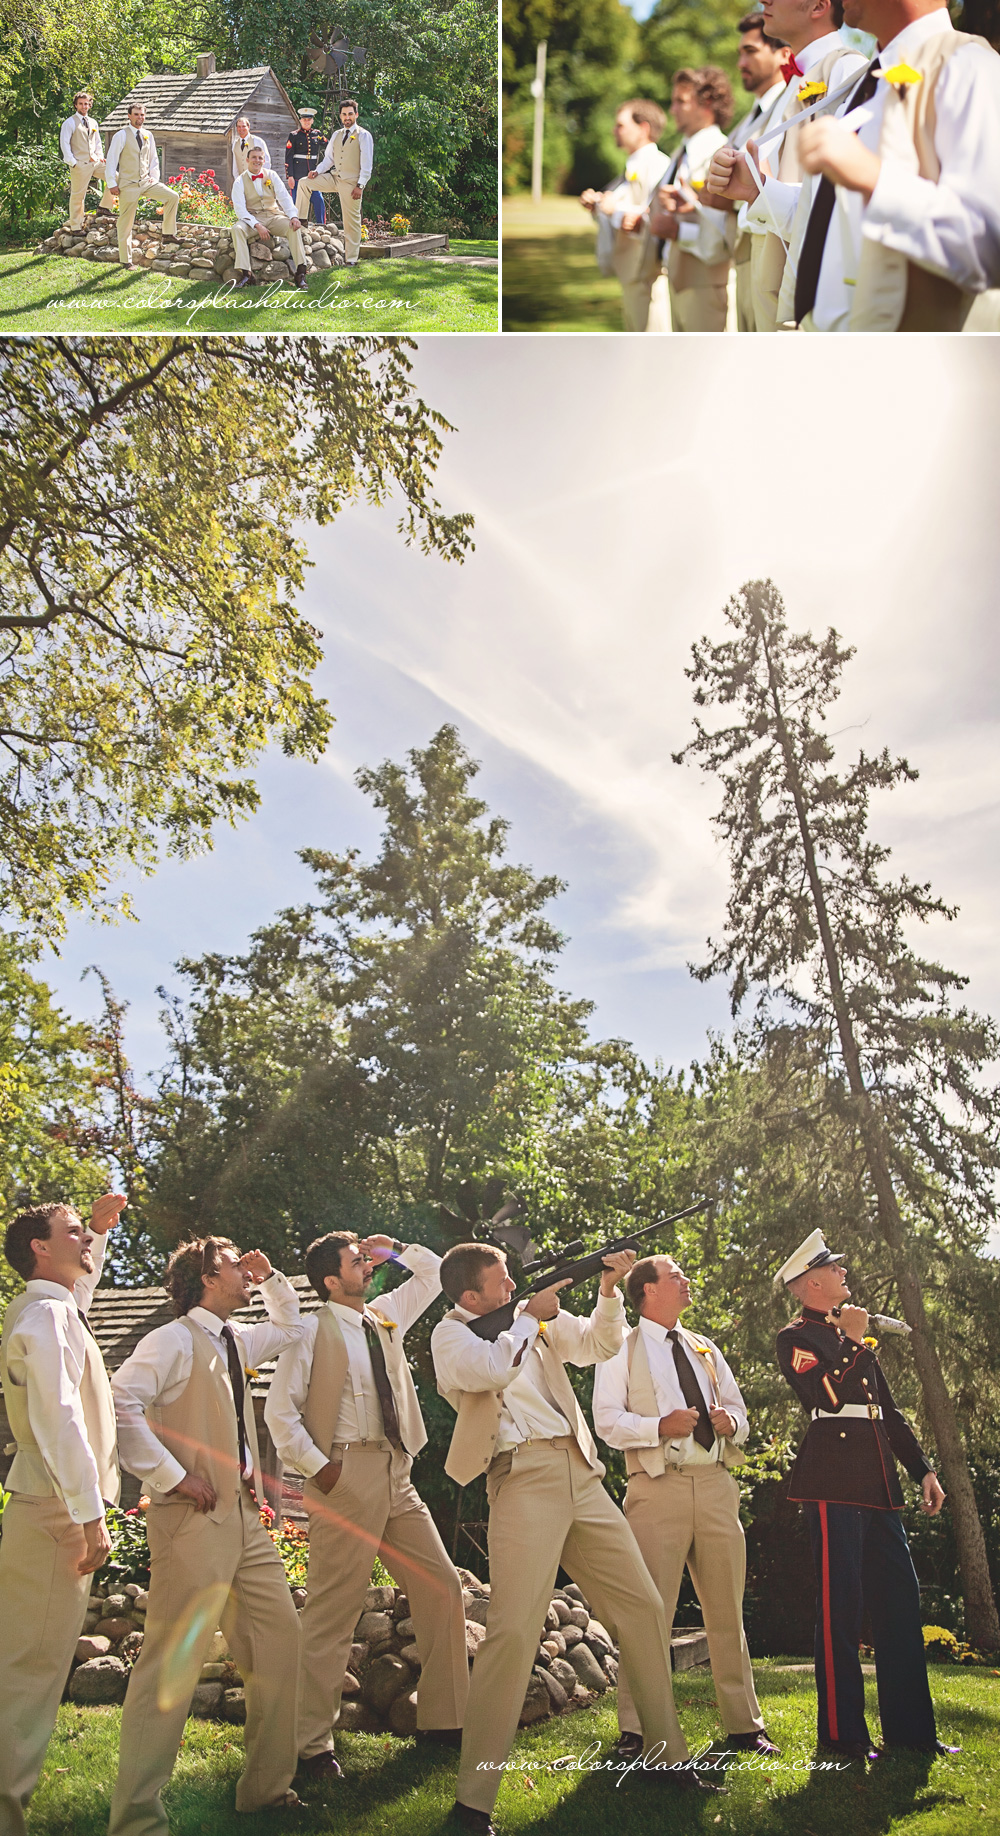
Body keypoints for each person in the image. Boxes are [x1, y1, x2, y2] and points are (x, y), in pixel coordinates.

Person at [431, 1243, 720, 1834]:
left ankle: (665, 1756)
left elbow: (598, 1344)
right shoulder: (452, 1338)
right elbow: (492, 1370)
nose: (514, 1283)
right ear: (469, 1297)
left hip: (581, 1474)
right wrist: (528, 1317)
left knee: (642, 1605)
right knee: (512, 1630)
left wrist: (609, 1290)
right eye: (502, 1280)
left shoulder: (528, 1317)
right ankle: (473, 1802)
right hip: (523, 1478)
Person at [108, 1236, 306, 1834]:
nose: (245, 1269)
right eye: (234, 1262)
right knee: (171, 1665)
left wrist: (271, 1280)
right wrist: (173, 1477)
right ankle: (138, 1819)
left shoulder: (234, 1340)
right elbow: (121, 1403)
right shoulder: (169, 1339)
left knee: (281, 1642)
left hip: (246, 1522)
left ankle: (266, 1793)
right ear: (205, 1274)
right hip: (191, 1521)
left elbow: (292, 1327)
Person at [265, 1230, 469, 1782]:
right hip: (344, 1473)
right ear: (331, 1281)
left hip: (396, 1472)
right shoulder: (308, 1331)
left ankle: (444, 1721)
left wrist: (395, 1250)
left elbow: (433, 1278)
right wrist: (323, 1471)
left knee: (442, 1586)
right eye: (354, 1259)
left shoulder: (384, 1315)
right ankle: (311, 1746)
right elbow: (280, 1415)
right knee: (334, 1612)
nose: (364, 1261)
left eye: (364, 1255)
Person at [774, 1229, 952, 1761]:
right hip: (832, 1484)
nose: (845, 1273)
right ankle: (842, 1735)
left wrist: (922, 1470)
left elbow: (887, 1412)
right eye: (834, 1268)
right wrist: (854, 1340)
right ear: (812, 1283)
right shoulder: (796, 1337)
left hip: (879, 1486)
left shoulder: (850, 1333)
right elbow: (827, 1398)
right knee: (841, 1609)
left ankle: (912, 1733)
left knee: (900, 1604)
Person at [593, 1254, 776, 1760]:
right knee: (649, 1613)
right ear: (648, 1290)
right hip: (657, 1488)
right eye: (676, 1275)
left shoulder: (704, 1346)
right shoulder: (618, 1350)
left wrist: (730, 1424)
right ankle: (637, 1729)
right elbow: (605, 1420)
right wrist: (658, 1427)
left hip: (717, 1487)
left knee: (726, 1611)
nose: (686, 1280)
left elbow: (741, 1410)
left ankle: (745, 1725)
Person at [0, 1193, 126, 1836]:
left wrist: (97, 1234)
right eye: (71, 1233)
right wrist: (88, 1513)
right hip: (55, 1510)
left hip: (48, 1505)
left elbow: (78, 1300)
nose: (85, 1240)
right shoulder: (45, 1316)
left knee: (27, 1667)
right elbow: (57, 1415)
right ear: (38, 1249)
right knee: (29, 1677)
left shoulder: (51, 1310)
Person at [784, 0, 1000, 330]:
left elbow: (989, 246)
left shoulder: (972, 67)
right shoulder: (863, 83)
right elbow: (833, 219)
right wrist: (758, 191)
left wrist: (876, 179)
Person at [706, 0, 867, 329]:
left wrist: (764, 191)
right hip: (763, 252)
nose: (765, 0)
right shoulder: (795, 80)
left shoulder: (846, 69)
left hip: (797, 263)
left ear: (818, 6)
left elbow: (838, 197)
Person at [647, 67, 734, 332]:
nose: (672, 109)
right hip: (678, 279)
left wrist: (678, 230)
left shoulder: (722, 153)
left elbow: (727, 231)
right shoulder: (680, 152)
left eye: (680, 101)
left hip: (707, 285)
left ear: (706, 102)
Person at [579, 100, 671, 332]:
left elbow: (659, 216)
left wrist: (614, 210)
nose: (614, 130)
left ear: (643, 129)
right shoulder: (632, 164)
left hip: (650, 276)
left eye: (621, 125)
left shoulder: (659, 164)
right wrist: (598, 205)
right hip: (632, 274)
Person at [725, 17, 790, 329]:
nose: (741, 62)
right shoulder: (749, 116)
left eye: (750, 51)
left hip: (775, 254)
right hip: (744, 254)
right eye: (740, 53)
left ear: (783, 54)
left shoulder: (793, 103)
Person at [295, 98, 373, 266]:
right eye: (344, 114)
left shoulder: (364, 135)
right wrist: (317, 171)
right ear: (340, 116)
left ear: (356, 115)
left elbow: (367, 164)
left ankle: (351, 259)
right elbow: (328, 159)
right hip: (334, 177)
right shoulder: (337, 135)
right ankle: (301, 220)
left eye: (350, 114)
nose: (347, 117)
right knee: (304, 182)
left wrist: (361, 185)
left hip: (352, 183)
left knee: (351, 221)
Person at [104, 103, 179, 269]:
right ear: (129, 116)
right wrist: (111, 183)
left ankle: (167, 233)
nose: (140, 118)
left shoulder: (148, 135)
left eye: (142, 115)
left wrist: (155, 178)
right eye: (136, 114)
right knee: (125, 223)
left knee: (172, 197)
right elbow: (111, 160)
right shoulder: (121, 135)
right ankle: (126, 260)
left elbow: (153, 159)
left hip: (146, 182)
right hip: (128, 184)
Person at [230, 144, 308, 291]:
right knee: (237, 229)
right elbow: (240, 210)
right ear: (247, 160)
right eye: (254, 157)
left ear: (264, 161)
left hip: (273, 216)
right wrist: (257, 225)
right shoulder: (239, 181)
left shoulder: (272, 175)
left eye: (260, 158)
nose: (257, 160)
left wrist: (293, 216)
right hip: (252, 217)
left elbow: (284, 198)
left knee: (294, 228)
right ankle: (247, 274)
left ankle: (301, 273)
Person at [59, 90, 107, 230]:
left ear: (90, 105)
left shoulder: (93, 122)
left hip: (95, 162)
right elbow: (65, 144)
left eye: (86, 104)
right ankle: (76, 227)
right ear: (76, 105)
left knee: (115, 178)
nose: (84, 106)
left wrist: (100, 156)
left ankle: (104, 207)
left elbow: (97, 142)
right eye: (81, 104)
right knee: (78, 196)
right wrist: (73, 162)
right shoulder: (69, 123)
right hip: (79, 163)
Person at [285, 106, 328, 224]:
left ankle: (321, 225)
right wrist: (290, 176)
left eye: (309, 120)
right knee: (296, 202)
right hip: (298, 174)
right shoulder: (293, 135)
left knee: (318, 200)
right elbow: (288, 157)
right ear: (300, 120)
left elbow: (329, 145)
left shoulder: (317, 134)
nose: (306, 122)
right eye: (304, 119)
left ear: (312, 121)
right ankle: (296, 225)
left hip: (312, 174)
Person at [231, 117, 270, 181]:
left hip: (257, 179)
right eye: (239, 126)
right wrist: (237, 179)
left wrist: (262, 178)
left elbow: (267, 161)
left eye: (243, 126)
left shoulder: (257, 141)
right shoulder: (235, 144)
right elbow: (235, 164)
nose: (241, 129)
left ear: (248, 127)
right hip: (242, 180)